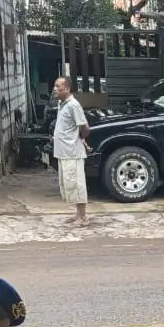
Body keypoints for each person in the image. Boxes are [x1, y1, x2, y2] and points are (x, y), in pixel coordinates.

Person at [53, 77, 91, 225]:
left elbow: (85, 127)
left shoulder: (74, 105)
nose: (55, 89)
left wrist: (80, 138)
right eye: (55, 86)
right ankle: (77, 215)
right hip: (64, 152)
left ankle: (83, 217)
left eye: (58, 86)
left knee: (77, 184)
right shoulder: (62, 104)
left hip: (72, 152)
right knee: (70, 184)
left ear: (67, 89)